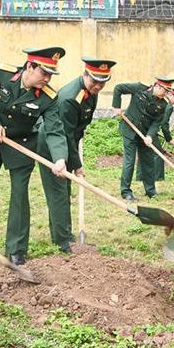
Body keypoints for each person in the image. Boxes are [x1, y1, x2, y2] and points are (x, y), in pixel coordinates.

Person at [0, 48, 68, 267]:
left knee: (20, 195)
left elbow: (55, 130)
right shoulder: (1, 75)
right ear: (30, 66)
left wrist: (60, 158)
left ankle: (16, 250)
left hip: (21, 146)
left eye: (50, 75)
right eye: (44, 73)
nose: (47, 79)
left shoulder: (48, 98)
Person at [37, 58, 115, 254]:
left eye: (103, 81)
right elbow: (66, 136)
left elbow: (77, 127)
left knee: (64, 189)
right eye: (94, 80)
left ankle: (64, 233)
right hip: (52, 144)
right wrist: (77, 165)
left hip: (67, 140)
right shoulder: (71, 98)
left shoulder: (91, 92)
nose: (98, 85)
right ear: (85, 74)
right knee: (58, 192)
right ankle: (63, 240)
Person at [113, 76, 174, 201]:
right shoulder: (139, 88)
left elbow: (156, 123)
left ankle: (151, 191)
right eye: (165, 91)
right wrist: (117, 106)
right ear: (157, 86)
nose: (166, 94)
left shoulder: (162, 104)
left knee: (148, 162)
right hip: (130, 131)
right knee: (129, 162)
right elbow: (118, 88)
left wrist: (149, 136)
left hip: (145, 134)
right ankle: (126, 192)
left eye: (168, 92)